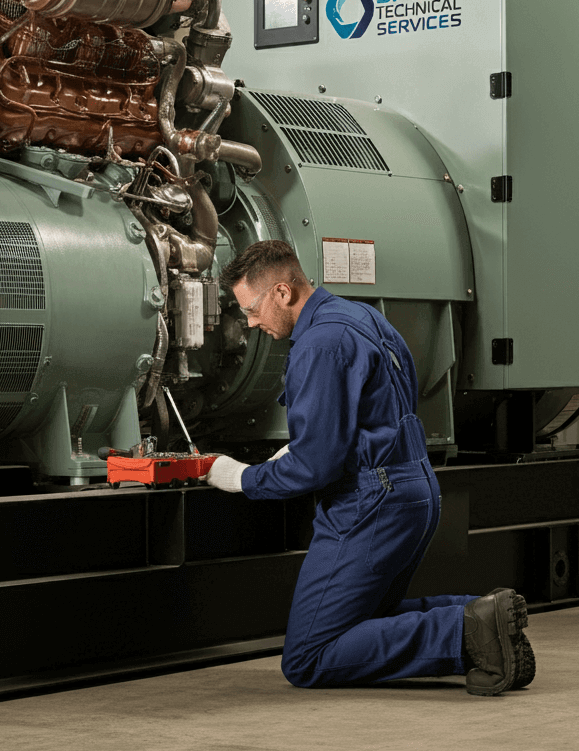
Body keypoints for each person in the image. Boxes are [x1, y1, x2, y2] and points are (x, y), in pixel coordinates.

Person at [206, 240, 535, 695]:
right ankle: (484, 618)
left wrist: (241, 477)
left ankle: (465, 633)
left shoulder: (318, 343)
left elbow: (314, 467)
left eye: (253, 308)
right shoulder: (359, 316)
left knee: (308, 656)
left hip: (369, 500)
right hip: (413, 486)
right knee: (363, 620)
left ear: (282, 292)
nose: (251, 322)